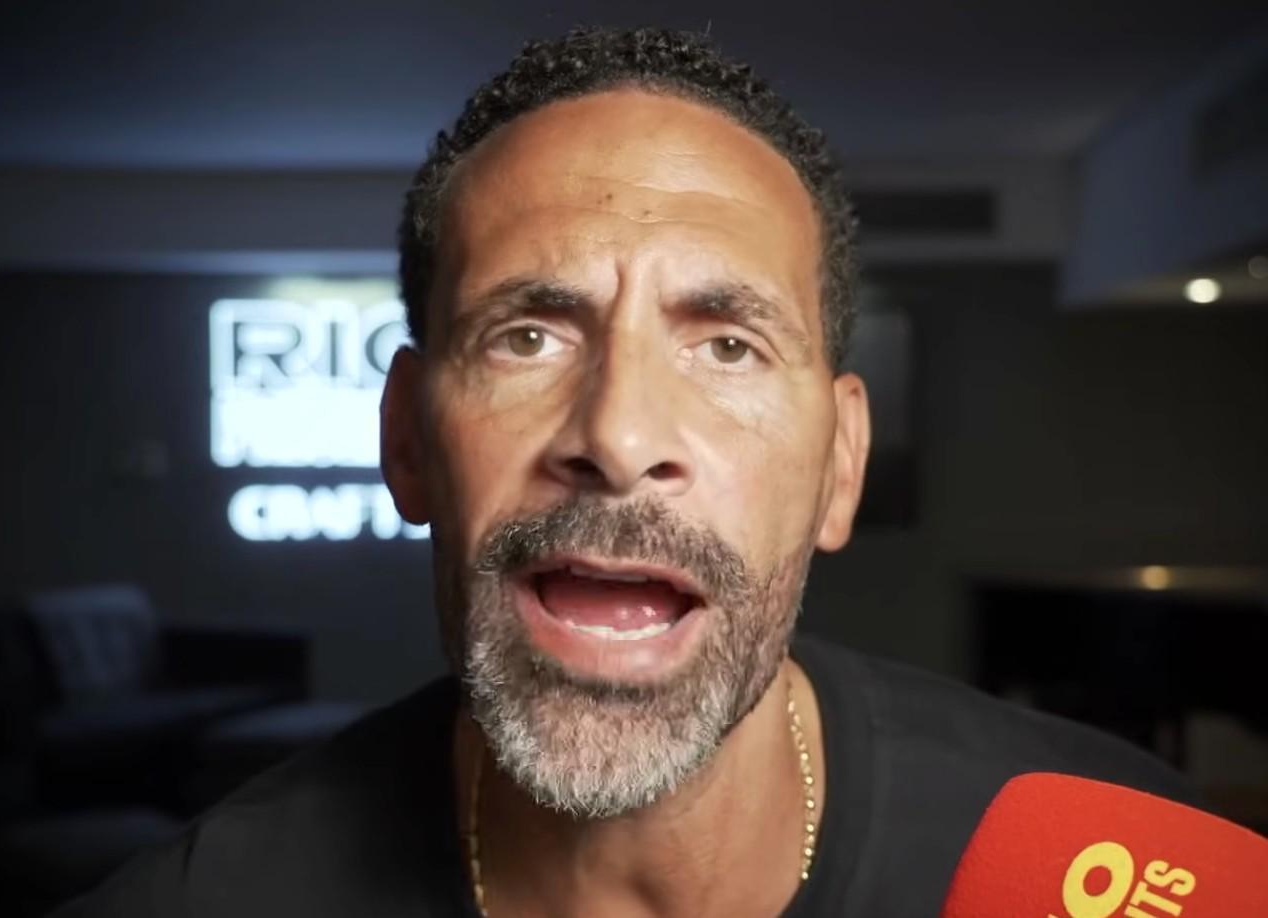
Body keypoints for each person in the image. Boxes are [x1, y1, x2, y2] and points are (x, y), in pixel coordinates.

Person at [58, 26, 1193, 918]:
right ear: (404, 440)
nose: (617, 432)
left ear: (840, 465)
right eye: (527, 336)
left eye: (727, 345)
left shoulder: (1127, 867)